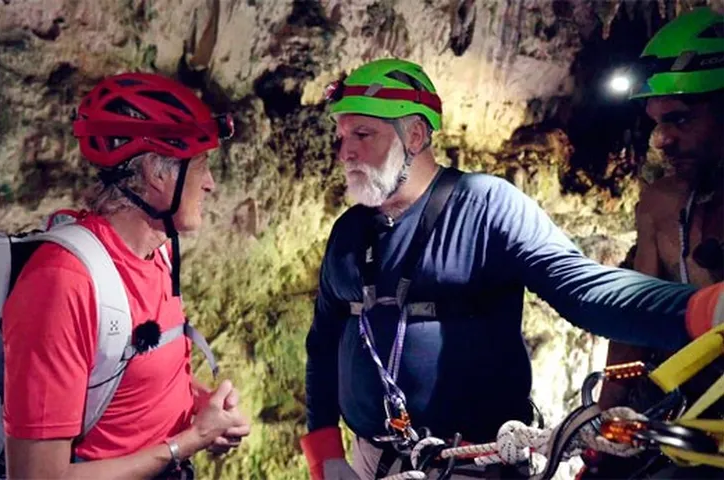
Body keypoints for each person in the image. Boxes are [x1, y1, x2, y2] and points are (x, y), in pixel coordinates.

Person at [299, 58, 704, 480]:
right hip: (371, 459)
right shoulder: (349, 232)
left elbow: (585, 291)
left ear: (415, 135)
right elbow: (324, 343)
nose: (346, 151)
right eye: (343, 135)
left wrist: (700, 308)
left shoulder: (486, 207)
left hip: (472, 462)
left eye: (362, 134)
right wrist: (324, 452)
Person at [1, 72, 250, 479]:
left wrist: (201, 406)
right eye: (202, 165)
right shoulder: (64, 283)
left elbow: (134, 382)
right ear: (156, 173)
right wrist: (188, 442)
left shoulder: (160, 252)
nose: (210, 184)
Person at [585, 7, 724, 479]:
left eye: (680, 120)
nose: (661, 139)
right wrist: (604, 421)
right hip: (682, 426)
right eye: (656, 121)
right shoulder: (662, 207)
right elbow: (634, 328)